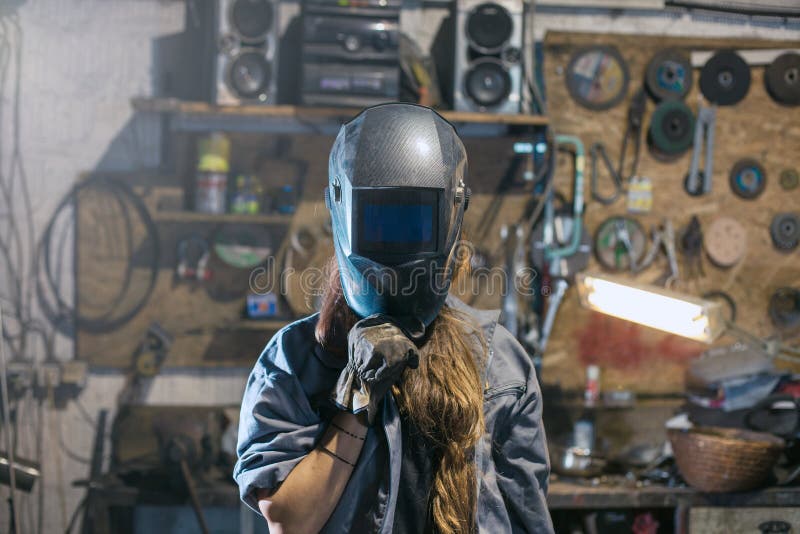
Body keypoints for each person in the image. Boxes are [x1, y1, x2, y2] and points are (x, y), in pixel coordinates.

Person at [234, 103, 553, 534]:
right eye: (380, 219)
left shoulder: (501, 364)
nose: (397, 253)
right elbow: (289, 522)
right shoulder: (295, 361)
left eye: (416, 219)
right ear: (341, 210)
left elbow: (527, 519)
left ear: (452, 216)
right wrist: (356, 403)